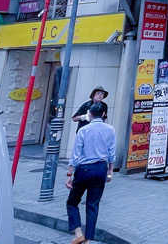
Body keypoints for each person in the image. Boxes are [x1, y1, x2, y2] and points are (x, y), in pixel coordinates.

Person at [66, 102, 116, 244]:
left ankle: (78, 232)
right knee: (93, 204)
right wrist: (110, 172)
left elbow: (76, 155)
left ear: (90, 115)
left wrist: (69, 175)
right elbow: (112, 153)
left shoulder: (84, 130)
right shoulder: (110, 130)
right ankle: (87, 239)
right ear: (104, 115)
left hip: (84, 169)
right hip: (101, 168)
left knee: (72, 202)